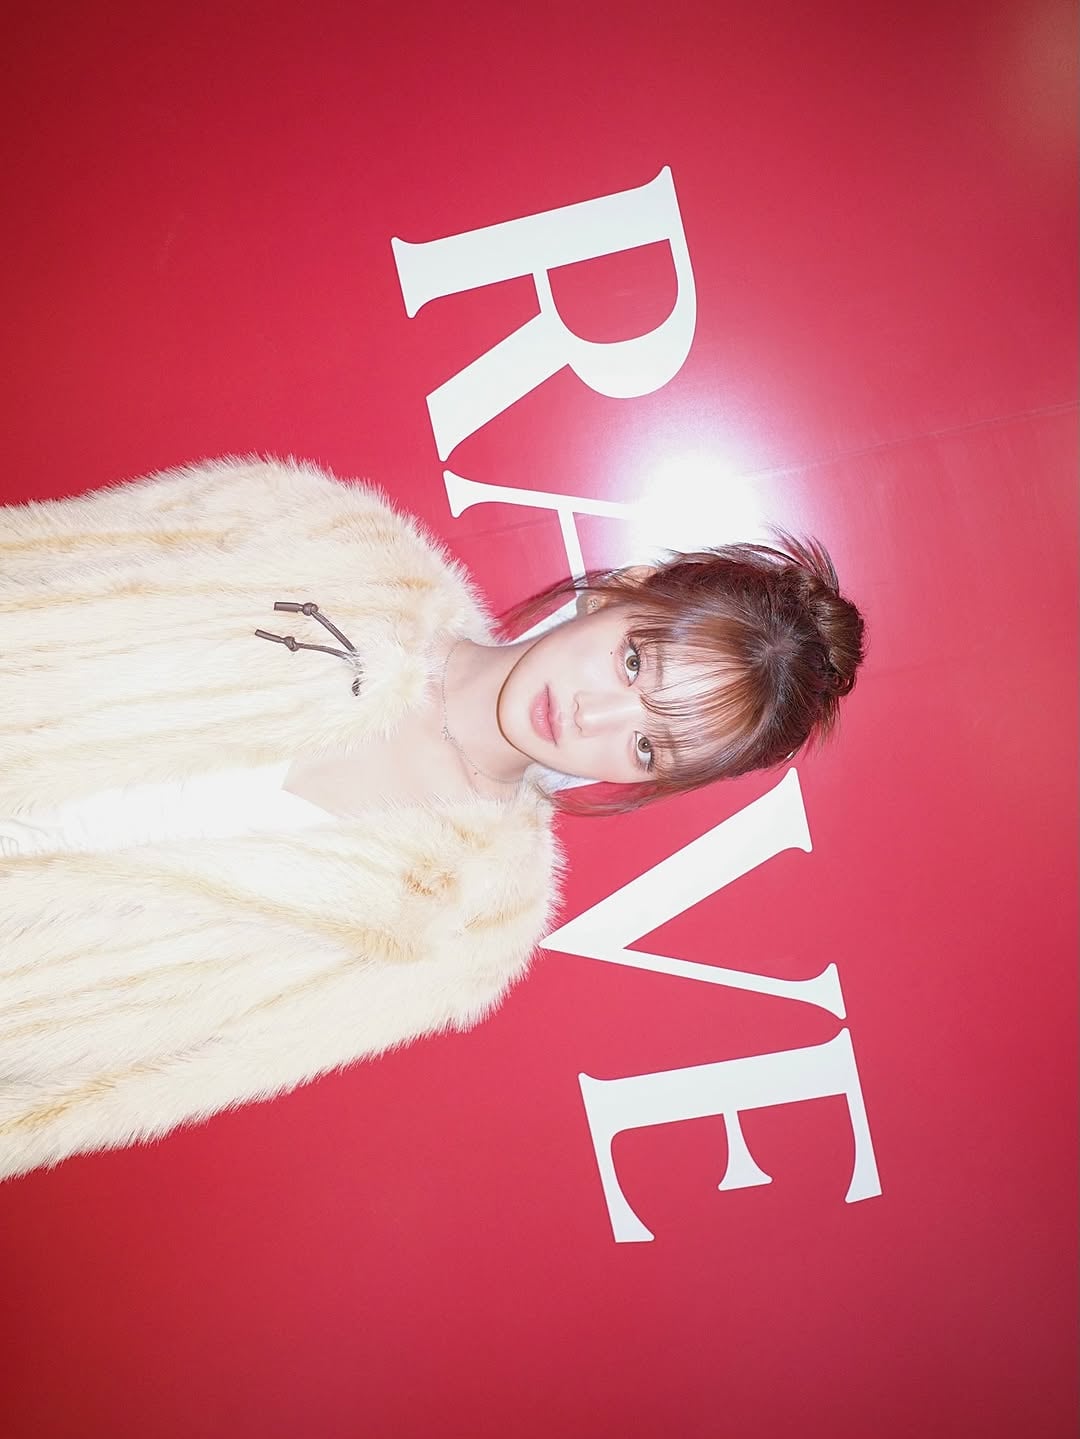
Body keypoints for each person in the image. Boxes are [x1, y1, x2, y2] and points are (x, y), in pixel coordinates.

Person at [0, 455, 864, 1181]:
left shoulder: (474, 925)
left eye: (646, 746)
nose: (591, 716)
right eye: (633, 663)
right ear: (622, 594)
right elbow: (43, 555)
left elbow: (159, 1078)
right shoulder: (333, 540)